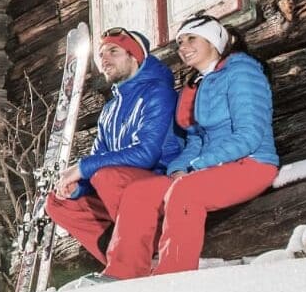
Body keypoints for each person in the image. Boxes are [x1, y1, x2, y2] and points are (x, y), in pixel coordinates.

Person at [103, 14, 280, 278]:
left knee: (186, 191)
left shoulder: (242, 71)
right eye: (180, 42)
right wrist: (179, 167)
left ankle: (172, 276)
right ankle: (122, 273)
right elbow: (196, 139)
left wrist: (196, 166)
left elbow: (250, 135)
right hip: (209, 168)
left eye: (191, 39)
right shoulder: (197, 83)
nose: (183, 47)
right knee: (140, 192)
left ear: (214, 40)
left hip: (252, 163)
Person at [44, 28, 181, 276]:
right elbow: (99, 157)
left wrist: (83, 168)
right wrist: (78, 188)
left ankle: (135, 259)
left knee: (105, 175)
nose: (104, 59)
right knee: (57, 203)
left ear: (135, 56)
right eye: (101, 54)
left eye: (113, 51)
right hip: (122, 192)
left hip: (162, 187)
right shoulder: (110, 109)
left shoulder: (158, 93)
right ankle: (123, 256)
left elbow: (146, 154)